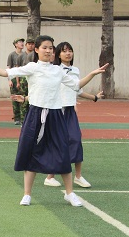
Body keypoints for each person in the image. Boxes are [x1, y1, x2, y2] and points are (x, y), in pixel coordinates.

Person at [0, 35, 108, 207]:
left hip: (56, 116)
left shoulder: (58, 70)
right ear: (36, 50)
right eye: (45, 47)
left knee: (63, 153)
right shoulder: (32, 67)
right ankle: (27, 194)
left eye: (51, 48)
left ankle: (70, 193)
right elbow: (6, 73)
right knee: (31, 152)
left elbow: (77, 85)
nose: (48, 51)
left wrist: (93, 74)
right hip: (35, 115)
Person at [40, 41, 103, 189]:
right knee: (58, 143)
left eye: (70, 50)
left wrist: (94, 97)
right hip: (56, 110)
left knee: (75, 140)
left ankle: (78, 176)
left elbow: (77, 89)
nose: (68, 53)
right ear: (58, 54)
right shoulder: (54, 70)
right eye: (64, 51)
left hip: (69, 111)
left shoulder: (75, 70)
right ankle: (50, 177)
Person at [7, 38, 27, 125]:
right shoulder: (12, 55)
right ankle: (17, 117)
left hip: (23, 79)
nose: (22, 43)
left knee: (23, 98)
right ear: (15, 44)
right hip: (14, 79)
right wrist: (9, 80)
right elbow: (8, 68)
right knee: (15, 98)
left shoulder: (25, 55)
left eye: (22, 42)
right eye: (19, 42)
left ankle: (23, 118)